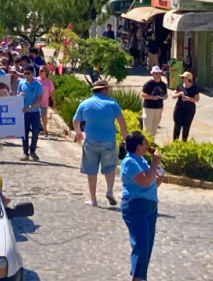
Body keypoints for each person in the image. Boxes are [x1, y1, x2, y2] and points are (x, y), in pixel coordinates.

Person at [73, 80, 128, 207]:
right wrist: (125, 138)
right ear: (104, 90)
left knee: (91, 170)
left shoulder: (84, 104)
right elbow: (121, 121)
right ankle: (109, 191)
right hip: (108, 141)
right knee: (109, 168)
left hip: (90, 141)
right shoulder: (112, 103)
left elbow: (76, 120)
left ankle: (93, 199)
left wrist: (78, 132)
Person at [120, 132, 163, 281]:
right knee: (141, 245)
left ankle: (138, 276)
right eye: (145, 144)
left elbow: (151, 182)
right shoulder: (130, 162)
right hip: (135, 206)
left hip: (150, 205)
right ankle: (139, 278)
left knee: (147, 245)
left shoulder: (142, 160)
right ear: (138, 147)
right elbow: (144, 181)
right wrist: (155, 163)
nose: (148, 146)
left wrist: (158, 179)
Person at [17, 65, 43, 162]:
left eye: (28, 73)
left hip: (35, 112)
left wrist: (30, 107)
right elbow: (17, 95)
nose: (26, 75)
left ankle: (33, 151)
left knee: (35, 133)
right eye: (25, 73)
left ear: (32, 74)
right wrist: (19, 96)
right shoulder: (21, 83)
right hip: (24, 113)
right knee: (24, 133)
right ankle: (25, 153)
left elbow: (40, 98)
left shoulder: (37, 85)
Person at [172, 71, 200, 141]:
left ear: (188, 79)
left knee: (186, 128)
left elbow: (197, 99)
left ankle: (184, 143)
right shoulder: (180, 86)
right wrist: (178, 94)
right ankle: (175, 143)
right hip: (179, 110)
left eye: (184, 78)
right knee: (177, 127)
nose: (183, 79)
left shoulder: (193, 88)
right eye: (182, 78)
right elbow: (173, 95)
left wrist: (189, 99)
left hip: (189, 111)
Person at [141, 66, 168, 137]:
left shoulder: (163, 84)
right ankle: (146, 144)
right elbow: (142, 94)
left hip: (159, 107)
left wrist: (165, 97)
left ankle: (152, 143)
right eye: (156, 73)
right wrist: (152, 97)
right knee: (147, 128)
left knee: (154, 128)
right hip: (149, 108)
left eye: (159, 73)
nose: (158, 75)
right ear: (152, 74)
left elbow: (165, 94)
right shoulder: (149, 84)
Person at [36, 66, 55, 138]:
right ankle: (36, 129)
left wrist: (54, 102)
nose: (40, 72)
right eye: (40, 70)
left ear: (45, 72)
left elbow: (52, 93)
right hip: (36, 102)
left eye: (42, 70)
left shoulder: (48, 81)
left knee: (44, 116)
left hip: (44, 102)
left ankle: (45, 129)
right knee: (36, 116)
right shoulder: (36, 80)